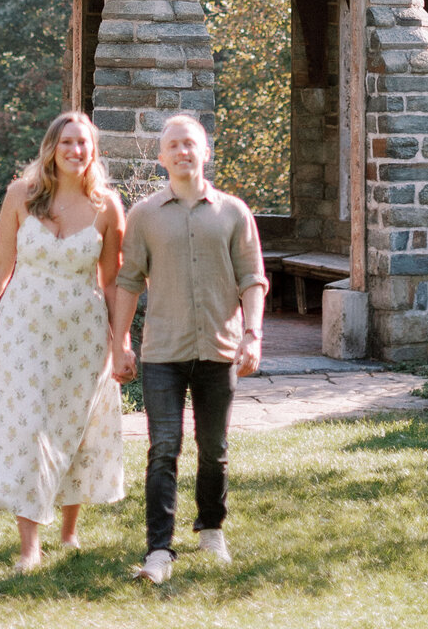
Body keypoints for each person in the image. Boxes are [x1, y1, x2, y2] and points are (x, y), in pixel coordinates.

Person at [0, 111, 126, 573]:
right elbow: (0, 263)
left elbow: (113, 281)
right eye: (68, 143)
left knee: (77, 427)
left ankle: (70, 533)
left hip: (83, 334)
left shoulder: (107, 207)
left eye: (84, 144)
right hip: (23, 331)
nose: (76, 151)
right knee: (32, 426)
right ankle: (29, 545)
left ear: (93, 151)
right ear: (51, 148)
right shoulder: (22, 195)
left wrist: (122, 342)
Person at [110, 113, 267, 584]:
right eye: (173, 145)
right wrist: (119, 341)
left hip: (219, 350)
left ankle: (211, 529)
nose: (182, 151)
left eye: (190, 144)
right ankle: (159, 550)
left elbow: (252, 278)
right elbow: (127, 282)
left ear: (205, 152)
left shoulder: (234, 212)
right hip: (163, 352)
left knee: (213, 448)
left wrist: (253, 333)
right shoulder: (143, 216)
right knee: (163, 448)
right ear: (162, 157)